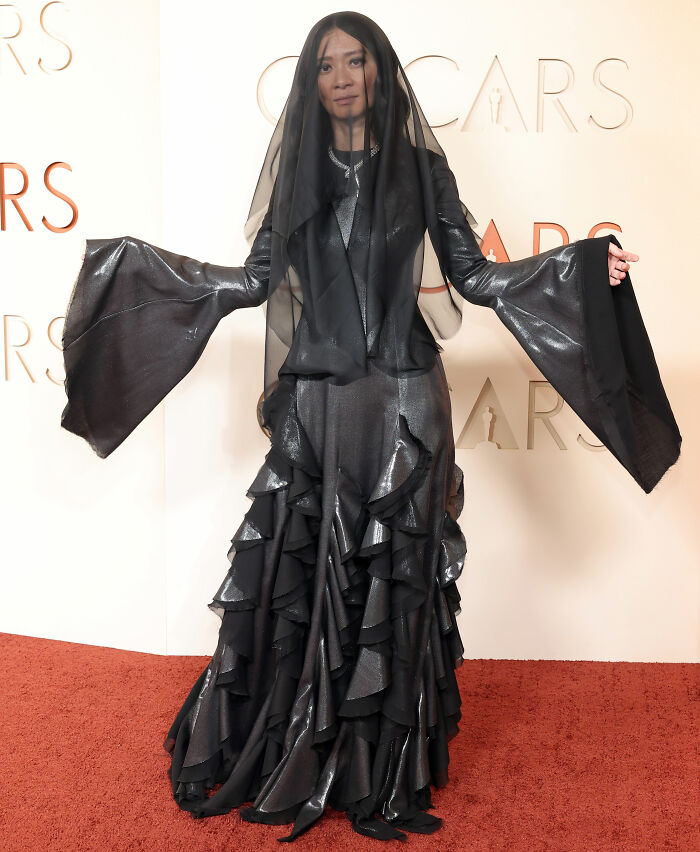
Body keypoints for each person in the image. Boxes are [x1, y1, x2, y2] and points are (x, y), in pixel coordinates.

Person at [60, 10, 681, 843]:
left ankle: (383, 769)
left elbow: (477, 275)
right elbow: (252, 282)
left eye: (358, 60)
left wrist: (583, 264)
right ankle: (303, 747)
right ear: (311, 82)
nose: (344, 76)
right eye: (327, 65)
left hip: (405, 403)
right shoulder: (296, 175)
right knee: (305, 578)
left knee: (398, 583)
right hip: (320, 404)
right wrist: (126, 271)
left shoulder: (422, 169)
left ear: (382, 72)